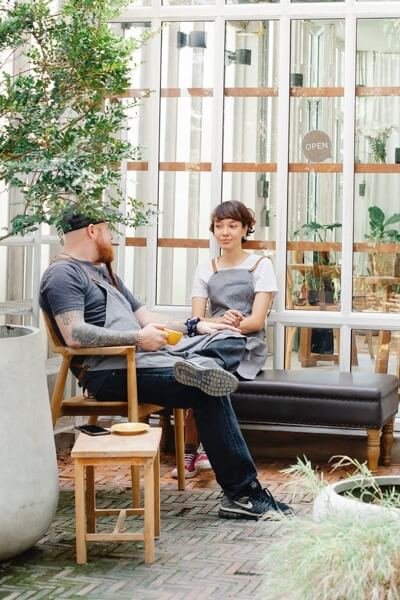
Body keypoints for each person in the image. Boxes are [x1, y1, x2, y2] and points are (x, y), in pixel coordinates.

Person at [39, 211, 292, 520]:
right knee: (206, 390)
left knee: (229, 339)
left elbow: (148, 319)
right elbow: (74, 334)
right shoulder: (63, 274)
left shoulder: (106, 275)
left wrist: (196, 326)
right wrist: (137, 338)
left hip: (146, 359)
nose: (113, 239)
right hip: (111, 370)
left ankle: (201, 365)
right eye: (108, 232)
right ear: (93, 231)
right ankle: (242, 494)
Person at [172, 200, 277, 479]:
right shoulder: (206, 268)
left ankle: (198, 449)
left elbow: (256, 321)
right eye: (219, 226)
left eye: (232, 225)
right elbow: (197, 320)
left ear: (245, 229)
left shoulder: (261, 266)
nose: (225, 232)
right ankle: (193, 450)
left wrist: (228, 325)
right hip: (212, 338)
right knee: (196, 370)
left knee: (201, 370)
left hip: (245, 343)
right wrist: (219, 323)